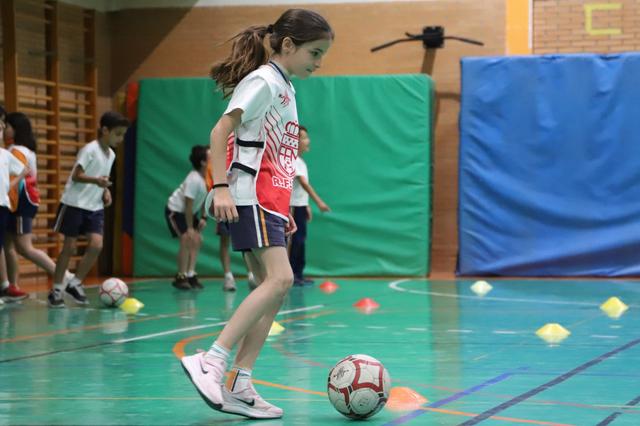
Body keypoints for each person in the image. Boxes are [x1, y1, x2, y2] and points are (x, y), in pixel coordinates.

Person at [180, 8, 333, 419]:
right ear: (289, 45)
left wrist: (285, 208)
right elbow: (220, 132)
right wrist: (220, 187)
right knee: (281, 279)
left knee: (270, 288)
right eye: (315, 53)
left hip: (270, 200)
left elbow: (276, 155)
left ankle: (240, 383)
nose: (318, 63)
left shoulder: (285, 87)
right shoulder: (263, 80)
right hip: (250, 195)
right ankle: (211, 360)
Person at [48, 111, 129, 308]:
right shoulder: (90, 149)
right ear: (105, 130)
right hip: (74, 203)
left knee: (96, 245)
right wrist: (96, 182)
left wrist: (105, 191)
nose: (120, 139)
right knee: (69, 247)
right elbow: (77, 175)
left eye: (123, 135)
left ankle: (75, 283)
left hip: (94, 206)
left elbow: (102, 178)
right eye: (118, 134)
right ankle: (56, 289)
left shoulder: (111, 155)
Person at [3, 112, 74, 299]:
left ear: (15, 129)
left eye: (7, 125)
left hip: (21, 203)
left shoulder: (16, 150)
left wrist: (10, 203)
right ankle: (12, 286)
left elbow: (16, 178)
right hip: (23, 202)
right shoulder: (25, 150)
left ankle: (64, 276)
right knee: (8, 244)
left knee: (24, 247)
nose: (4, 128)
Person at [206, 140, 257, 292]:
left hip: (242, 201)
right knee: (225, 240)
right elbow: (211, 183)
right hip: (224, 201)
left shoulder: (245, 150)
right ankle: (228, 276)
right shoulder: (217, 156)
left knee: (248, 242)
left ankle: (252, 274)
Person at [289, 125, 330, 286]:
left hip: (300, 206)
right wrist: (319, 202)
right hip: (293, 206)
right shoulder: (293, 160)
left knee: (301, 240)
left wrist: (305, 205)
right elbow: (303, 184)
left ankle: (299, 273)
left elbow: (298, 188)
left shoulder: (300, 162)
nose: (308, 141)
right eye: (304, 138)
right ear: (295, 140)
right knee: (295, 241)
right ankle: (292, 274)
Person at [165, 145, 209, 290]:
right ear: (203, 162)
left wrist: (204, 217)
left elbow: (205, 199)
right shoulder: (193, 179)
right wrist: (190, 228)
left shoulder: (208, 178)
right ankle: (181, 276)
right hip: (176, 211)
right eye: (211, 156)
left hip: (191, 213)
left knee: (197, 239)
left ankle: (191, 274)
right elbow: (188, 205)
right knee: (186, 239)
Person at [0, 106, 29, 303]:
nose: (3, 126)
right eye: (0, 122)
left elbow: (23, 170)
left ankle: (5, 287)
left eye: (4, 123)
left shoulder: (5, 154)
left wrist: (10, 184)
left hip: (2, 205)